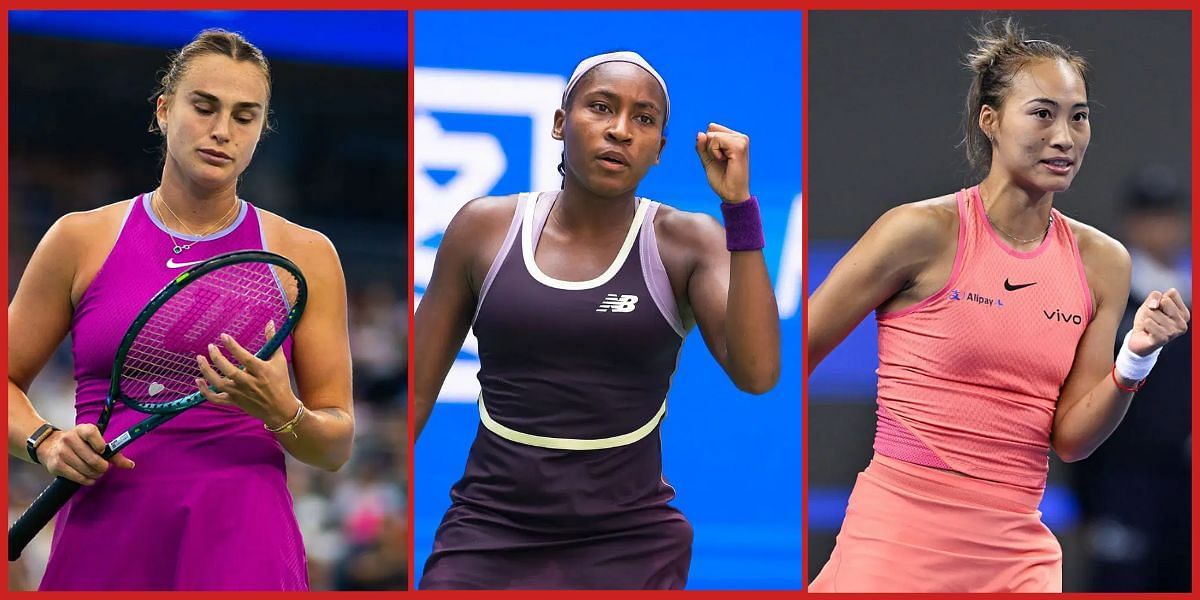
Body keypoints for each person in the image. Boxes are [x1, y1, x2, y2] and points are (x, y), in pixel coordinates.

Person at [807, 19, 1190, 592]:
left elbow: (1071, 439)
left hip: (1017, 555)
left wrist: (1135, 358)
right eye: (1042, 113)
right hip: (895, 537)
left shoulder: (1103, 262)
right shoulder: (918, 232)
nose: (1065, 136)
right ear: (990, 121)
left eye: (1078, 116)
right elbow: (790, 353)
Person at [413, 51, 781, 589]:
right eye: (601, 108)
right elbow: (417, 391)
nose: (621, 131)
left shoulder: (688, 241)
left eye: (644, 119)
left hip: (628, 540)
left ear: (659, 149)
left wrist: (739, 210)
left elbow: (757, 372)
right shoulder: (482, 229)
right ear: (561, 124)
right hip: (489, 528)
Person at [7, 29, 354, 591]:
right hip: (104, 531)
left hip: (245, 541)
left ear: (261, 132)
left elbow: (335, 445)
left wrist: (281, 408)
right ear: (164, 110)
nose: (222, 131)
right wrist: (44, 440)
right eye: (204, 106)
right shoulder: (79, 238)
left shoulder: (307, 255)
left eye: (245, 116)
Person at [1065, 165, 1191, 591]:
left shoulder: (1190, 303)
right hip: (1121, 484)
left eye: (1168, 215)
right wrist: (1089, 506)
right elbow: (1082, 400)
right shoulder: (1109, 301)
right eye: (1149, 215)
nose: (1160, 228)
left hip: (1183, 489)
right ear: (1131, 223)